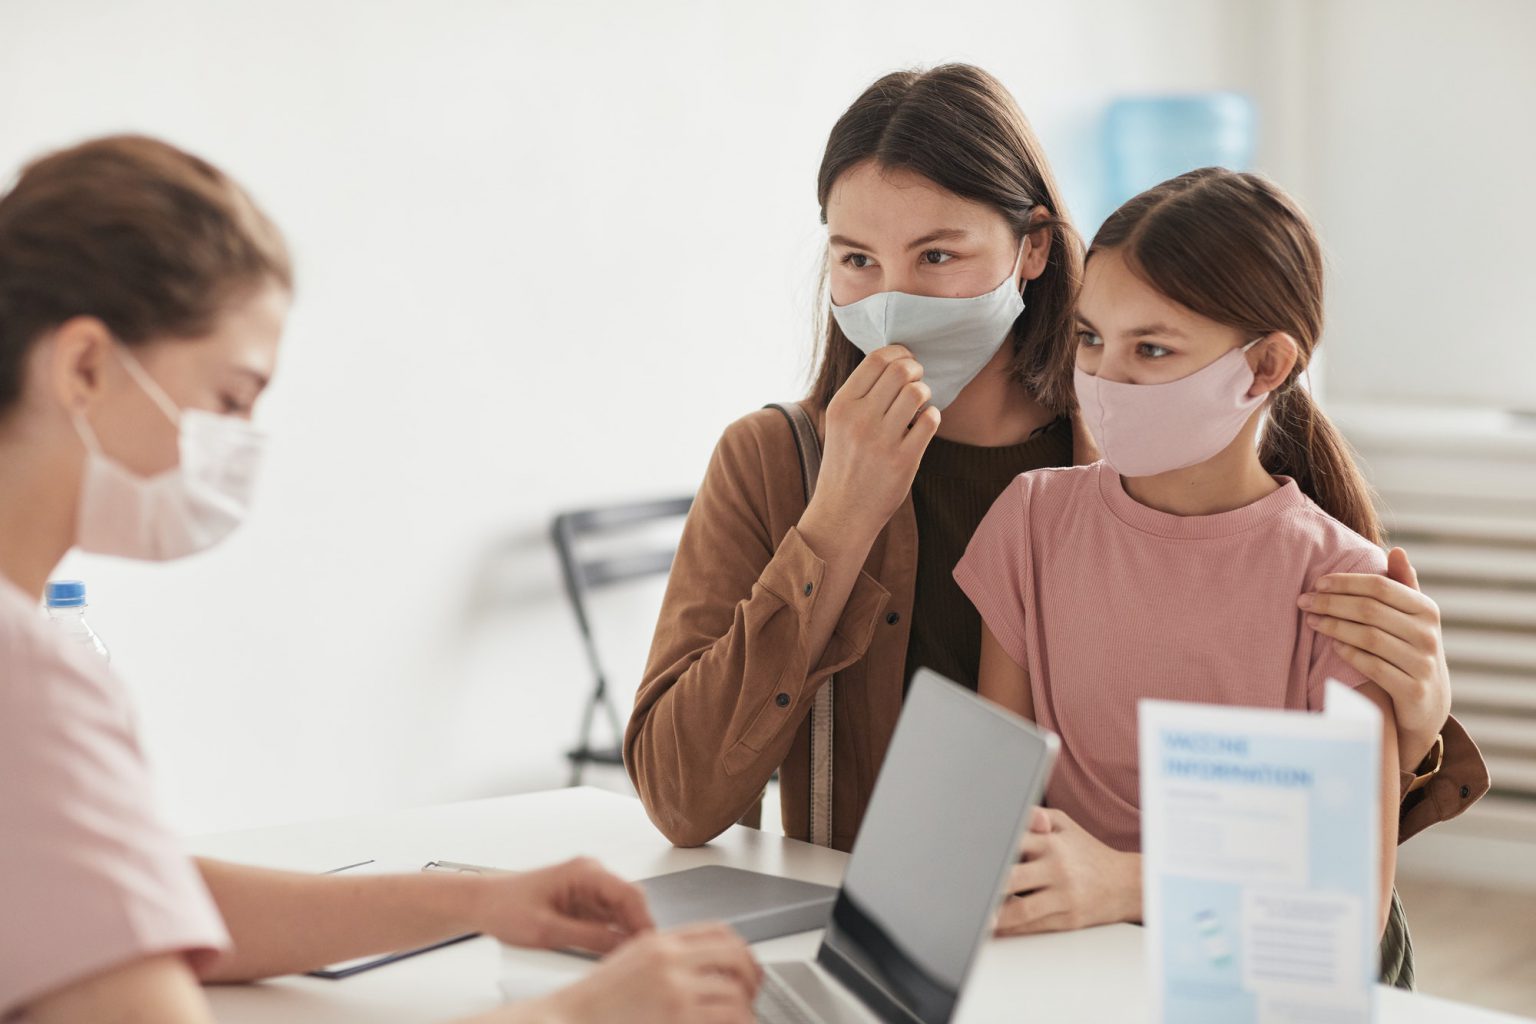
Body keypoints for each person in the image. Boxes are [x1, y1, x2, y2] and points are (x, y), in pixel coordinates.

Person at [625, 64, 1486, 932]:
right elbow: (680, 800)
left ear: (1032, 249)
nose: (891, 301)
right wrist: (838, 519)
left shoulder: (1159, 439)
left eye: (937, 255)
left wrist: (1419, 725)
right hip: (904, 930)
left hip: (1163, 945)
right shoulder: (779, 462)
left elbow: (1334, 865)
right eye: (856, 260)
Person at [0, 135, 759, 1024]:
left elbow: (124, 900)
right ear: (86, 367)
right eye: (232, 398)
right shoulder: (29, 680)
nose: (240, 444)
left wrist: (476, 901)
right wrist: (581, 1014)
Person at [956, 167, 1430, 983]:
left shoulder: (1344, 585)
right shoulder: (1030, 520)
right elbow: (996, 813)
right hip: (1061, 966)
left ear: (1266, 365)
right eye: (1091, 338)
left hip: (1254, 986)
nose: (1104, 380)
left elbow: (1351, 902)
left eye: (1151, 349)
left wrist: (1123, 883)